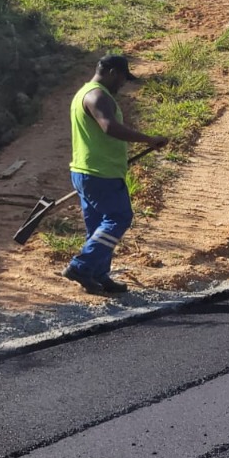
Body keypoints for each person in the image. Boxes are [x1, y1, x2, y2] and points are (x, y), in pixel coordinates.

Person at [62, 55, 168, 294]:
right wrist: (148, 140)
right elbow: (109, 127)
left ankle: (98, 274)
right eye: (122, 78)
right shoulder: (97, 95)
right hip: (101, 173)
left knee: (98, 227)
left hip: (86, 170)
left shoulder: (83, 93)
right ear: (111, 72)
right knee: (119, 218)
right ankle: (81, 266)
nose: (122, 83)